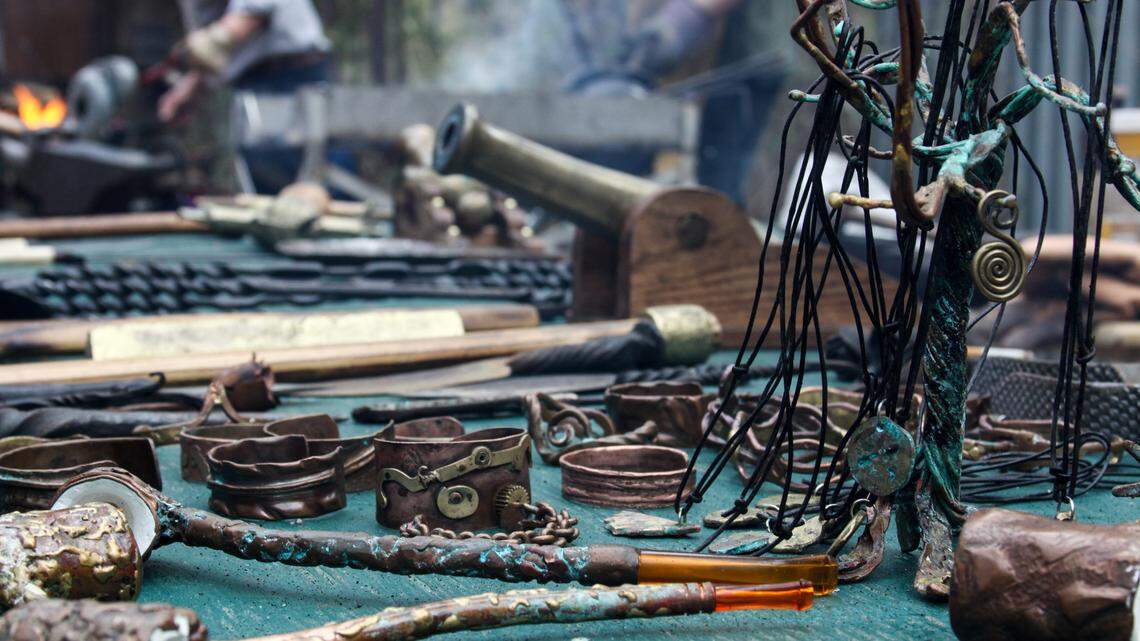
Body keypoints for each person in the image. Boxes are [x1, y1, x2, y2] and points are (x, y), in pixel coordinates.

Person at [160, 0, 331, 123]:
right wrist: (192, 84)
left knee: (307, 162)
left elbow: (254, 11)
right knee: (260, 165)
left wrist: (214, 41)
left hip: (292, 72)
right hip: (250, 82)